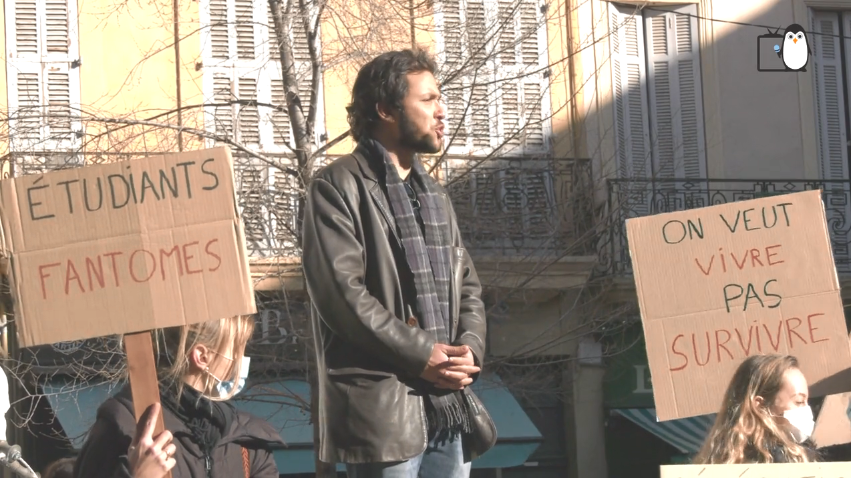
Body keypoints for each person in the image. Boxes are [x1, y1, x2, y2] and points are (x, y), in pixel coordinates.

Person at [302, 48, 495, 478]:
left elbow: (468, 288)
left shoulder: (437, 196)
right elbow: (343, 297)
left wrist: (470, 353)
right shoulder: (336, 187)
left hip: (449, 407)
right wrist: (424, 353)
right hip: (384, 412)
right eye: (427, 100)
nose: (442, 111)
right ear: (386, 110)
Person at [73, 316, 285, 478]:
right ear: (202, 357)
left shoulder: (248, 444)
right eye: (237, 348)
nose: (240, 359)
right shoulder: (122, 427)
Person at [694, 354, 818, 464]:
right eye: (799, 401)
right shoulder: (780, 461)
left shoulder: (722, 459)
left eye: (806, 402)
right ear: (760, 405)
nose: (806, 409)